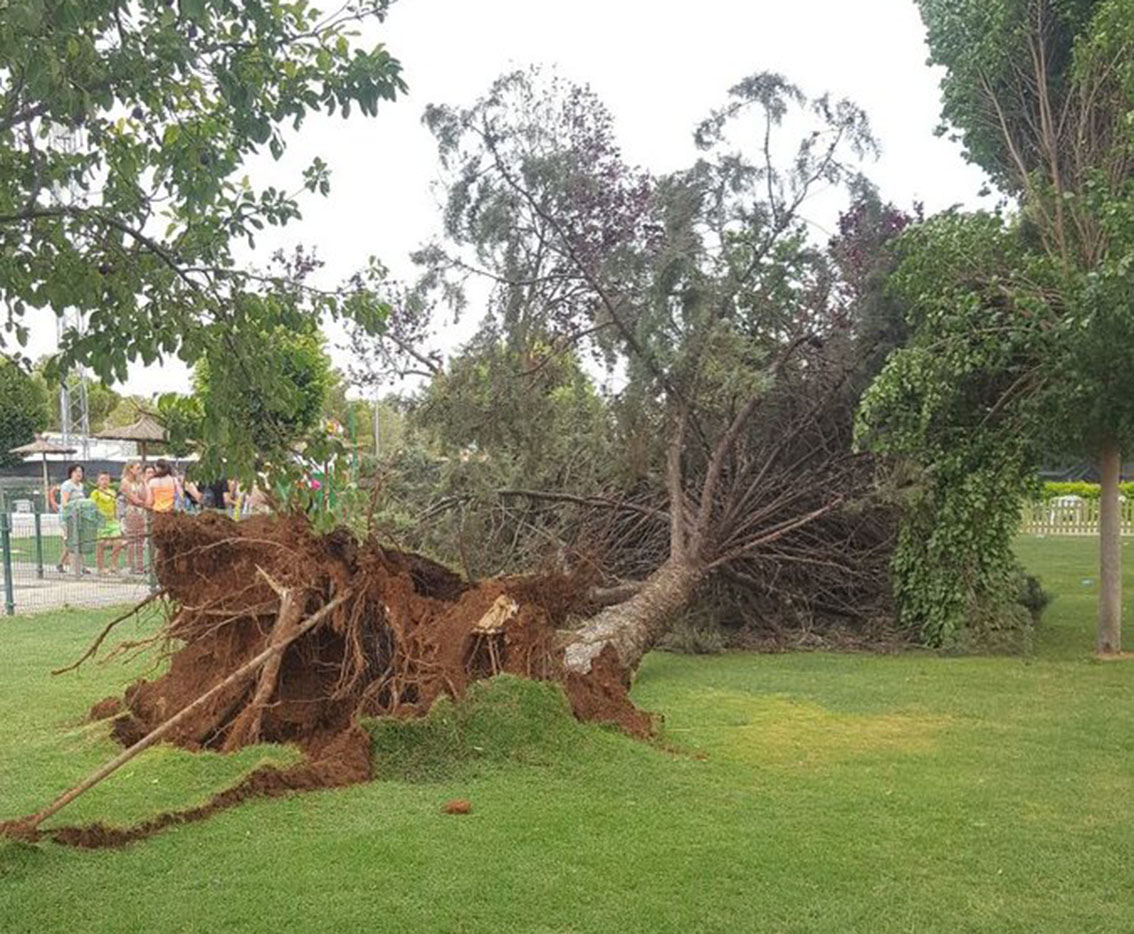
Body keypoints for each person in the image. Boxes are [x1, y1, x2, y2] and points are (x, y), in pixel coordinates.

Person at [89, 472, 124, 574]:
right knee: (101, 544)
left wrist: (117, 518)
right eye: (102, 479)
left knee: (118, 542)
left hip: (112, 521)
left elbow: (115, 506)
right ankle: (100, 567)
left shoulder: (112, 492)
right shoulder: (95, 493)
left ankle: (113, 564)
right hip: (101, 521)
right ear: (98, 481)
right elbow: (92, 507)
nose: (105, 482)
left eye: (107, 479)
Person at [119, 463, 148, 574]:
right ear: (130, 469)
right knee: (132, 539)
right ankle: (132, 565)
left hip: (140, 511)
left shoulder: (137, 482)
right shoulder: (125, 482)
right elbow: (133, 499)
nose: (139, 470)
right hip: (131, 511)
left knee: (141, 538)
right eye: (137, 468)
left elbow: (143, 496)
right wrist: (145, 504)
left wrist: (144, 482)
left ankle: (140, 565)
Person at [56, 464, 85, 572]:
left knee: (79, 541)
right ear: (71, 473)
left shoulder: (80, 486)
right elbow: (64, 502)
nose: (79, 474)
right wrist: (71, 510)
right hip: (68, 517)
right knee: (71, 541)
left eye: (81, 471)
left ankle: (81, 565)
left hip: (79, 517)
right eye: (76, 471)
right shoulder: (67, 485)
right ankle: (67, 564)